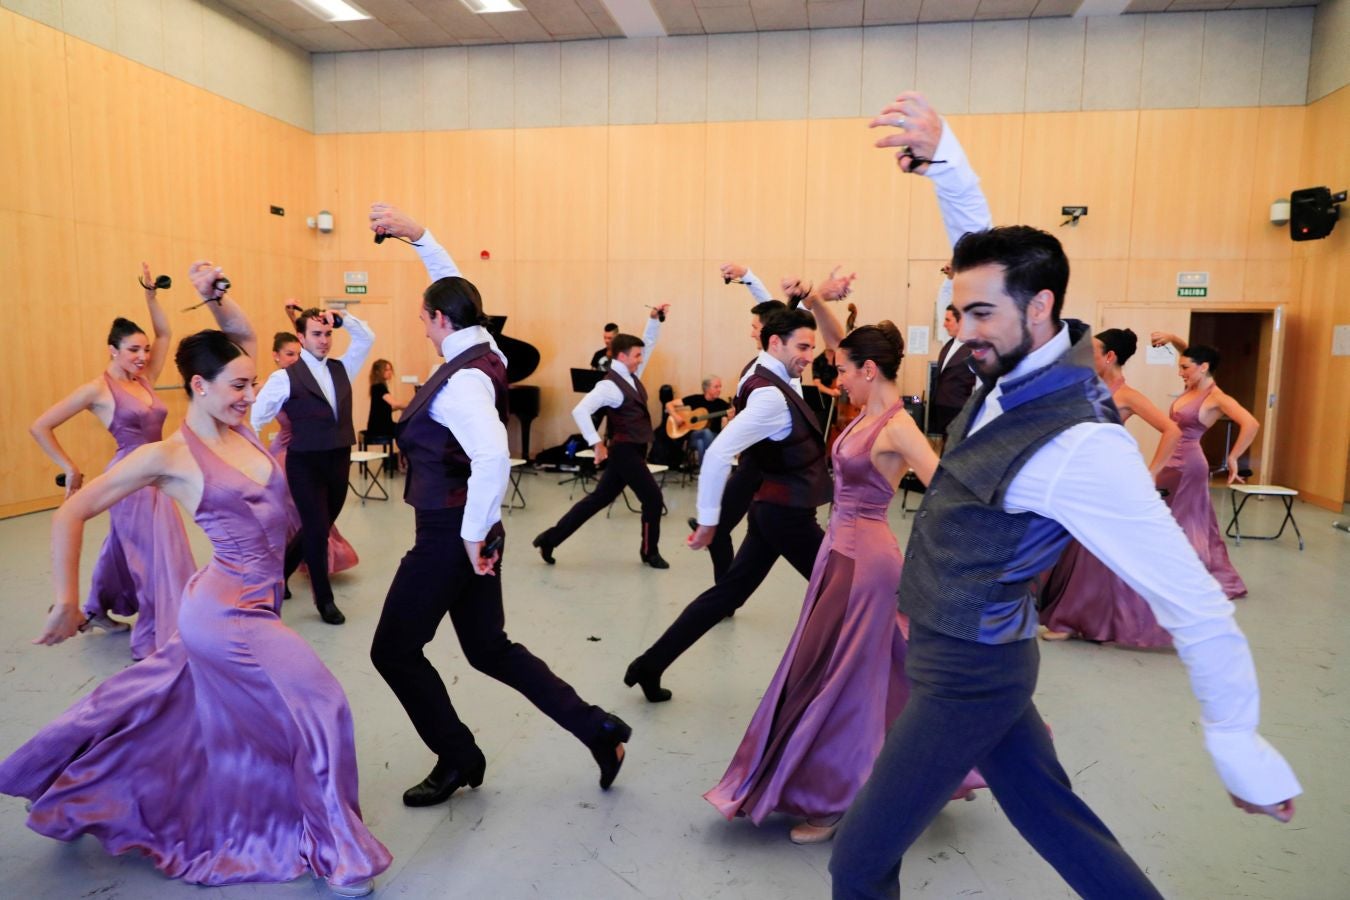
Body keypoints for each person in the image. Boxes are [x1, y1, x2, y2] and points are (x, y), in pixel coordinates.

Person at [828, 92, 1299, 900]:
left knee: (858, 859)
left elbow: (1193, 601)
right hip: (980, 657)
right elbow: (976, 252)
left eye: (980, 313)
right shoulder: (1013, 355)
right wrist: (947, 163)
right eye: (958, 311)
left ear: (1040, 308)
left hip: (969, 676)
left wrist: (1238, 742)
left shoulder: (1085, 446)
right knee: (1055, 818)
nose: (961, 330)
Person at [0, 262, 391, 897]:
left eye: (253, 382)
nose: (249, 393)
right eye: (237, 384)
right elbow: (73, 510)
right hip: (227, 615)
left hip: (249, 600)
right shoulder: (168, 456)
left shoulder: (240, 425)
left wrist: (216, 297)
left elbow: (238, 330)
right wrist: (67, 599)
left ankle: (108, 795)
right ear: (198, 387)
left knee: (181, 721)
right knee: (318, 702)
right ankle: (336, 850)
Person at [366, 203, 631, 807]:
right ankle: (600, 730)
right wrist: (420, 238)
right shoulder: (484, 349)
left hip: (447, 535)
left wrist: (469, 536)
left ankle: (459, 756)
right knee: (488, 649)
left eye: (424, 318)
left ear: (437, 320)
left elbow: (492, 455)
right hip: (469, 531)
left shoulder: (461, 381)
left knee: (393, 651)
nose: (424, 326)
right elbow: (461, 292)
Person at [622, 299, 835, 702]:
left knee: (727, 594)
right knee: (842, 588)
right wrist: (708, 520)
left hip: (775, 511)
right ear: (776, 343)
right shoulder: (771, 395)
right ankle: (838, 687)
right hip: (787, 516)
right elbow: (720, 453)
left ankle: (649, 664)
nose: (810, 356)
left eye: (811, 347)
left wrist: (812, 295)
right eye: (803, 348)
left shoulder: (774, 374)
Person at [28, 263, 195, 660]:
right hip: (128, 480)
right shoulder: (96, 390)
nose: (142, 356)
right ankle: (157, 636)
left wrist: (151, 297)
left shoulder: (144, 379)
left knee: (124, 548)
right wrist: (68, 466)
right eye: (133, 350)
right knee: (154, 557)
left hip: (158, 474)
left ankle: (95, 610)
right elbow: (40, 426)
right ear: (113, 351)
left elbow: (166, 333)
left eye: (144, 350)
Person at [1039, 328, 1183, 646]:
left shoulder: (1126, 396)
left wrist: (1152, 471)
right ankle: (1073, 617)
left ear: (1110, 357)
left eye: (1091, 352)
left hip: (1106, 483)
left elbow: (1171, 430)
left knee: (1089, 554)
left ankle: (1069, 620)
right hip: (1078, 479)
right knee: (1070, 550)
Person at [252, 297, 375, 625]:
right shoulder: (284, 378)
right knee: (318, 530)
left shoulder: (341, 368)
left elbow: (366, 338)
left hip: (338, 459)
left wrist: (342, 318)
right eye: (316, 334)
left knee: (314, 527)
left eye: (326, 334)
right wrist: (247, 455)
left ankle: (278, 572)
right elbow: (255, 417)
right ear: (301, 338)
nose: (323, 340)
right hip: (304, 463)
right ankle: (325, 600)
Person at [533, 306, 670, 569]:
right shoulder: (609, 385)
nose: (641, 359)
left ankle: (549, 539)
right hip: (625, 452)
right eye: (637, 355)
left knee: (598, 500)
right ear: (622, 356)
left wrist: (653, 321)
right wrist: (596, 442)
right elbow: (580, 410)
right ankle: (649, 552)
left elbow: (648, 345)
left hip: (632, 451)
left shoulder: (630, 376)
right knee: (653, 499)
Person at [1149, 332, 1255, 599]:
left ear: (1203, 367)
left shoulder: (1216, 397)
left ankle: (1190, 578)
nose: (1180, 372)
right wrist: (1173, 339)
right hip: (1171, 461)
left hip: (1190, 465)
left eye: (1184, 368)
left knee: (1188, 520)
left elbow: (1251, 423)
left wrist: (1233, 457)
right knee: (1165, 515)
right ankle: (1166, 572)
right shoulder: (1193, 386)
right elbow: (1189, 352)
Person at [268, 330, 359, 578]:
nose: (295, 358)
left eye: (298, 353)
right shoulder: (279, 381)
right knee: (306, 520)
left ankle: (285, 571)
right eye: (289, 354)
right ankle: (311, 580)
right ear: (276, 356)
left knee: (314, 522)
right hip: (288, 453)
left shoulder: (307, 375)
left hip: (314, 450)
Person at [928, 301, 976, 440]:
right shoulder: (948, 345)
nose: (944, 324)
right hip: (941, 410)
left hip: (958, 412)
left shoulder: (973, 349)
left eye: (948, 320)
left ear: (960, 321)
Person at [670, 375, 732, 464]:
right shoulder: (695, 399)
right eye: (716, 387)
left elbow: (725, 427)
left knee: (701, 442)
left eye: (720, 387)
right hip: (694, 436)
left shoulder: (722, 404)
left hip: (714, 437)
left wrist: (730, 420)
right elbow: (669, 405)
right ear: (707, 388)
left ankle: (703, 471)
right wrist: (676, 416)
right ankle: (710, 467)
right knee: (705, 432)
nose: (719, 390)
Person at [366, 357, 407, 471]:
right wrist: (411, 405)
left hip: (378, 424)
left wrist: (399, 407)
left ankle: (400, 460)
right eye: (386, 370)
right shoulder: (379, 387)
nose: (389, 372)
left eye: (390, 369)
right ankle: (401, 462)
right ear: (378, 372)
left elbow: (385, 408)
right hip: (380, 427)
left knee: (404, 430)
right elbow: (395, 403)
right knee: (406, 431)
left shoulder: (378, 386)